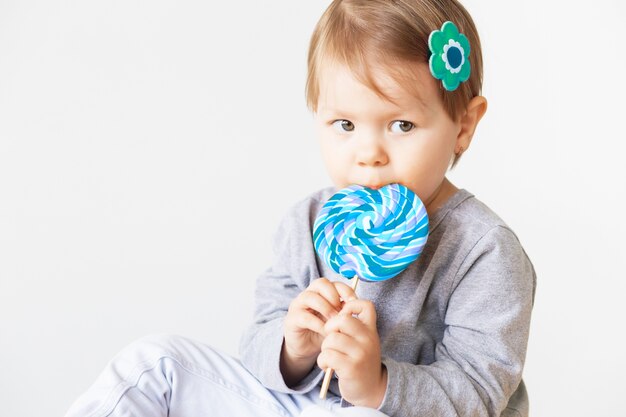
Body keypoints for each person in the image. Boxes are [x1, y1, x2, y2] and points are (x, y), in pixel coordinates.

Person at [64, 1, 536, 416]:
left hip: (384, 414)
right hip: (292, 404)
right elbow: (255, 341)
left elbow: (481, 391)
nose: (368, 152)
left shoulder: (484, 251)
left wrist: (377, 385)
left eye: (402, 124)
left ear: (463, 125)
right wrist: (293, 348)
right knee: (155, 363)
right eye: (345, 123)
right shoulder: (308, 223)